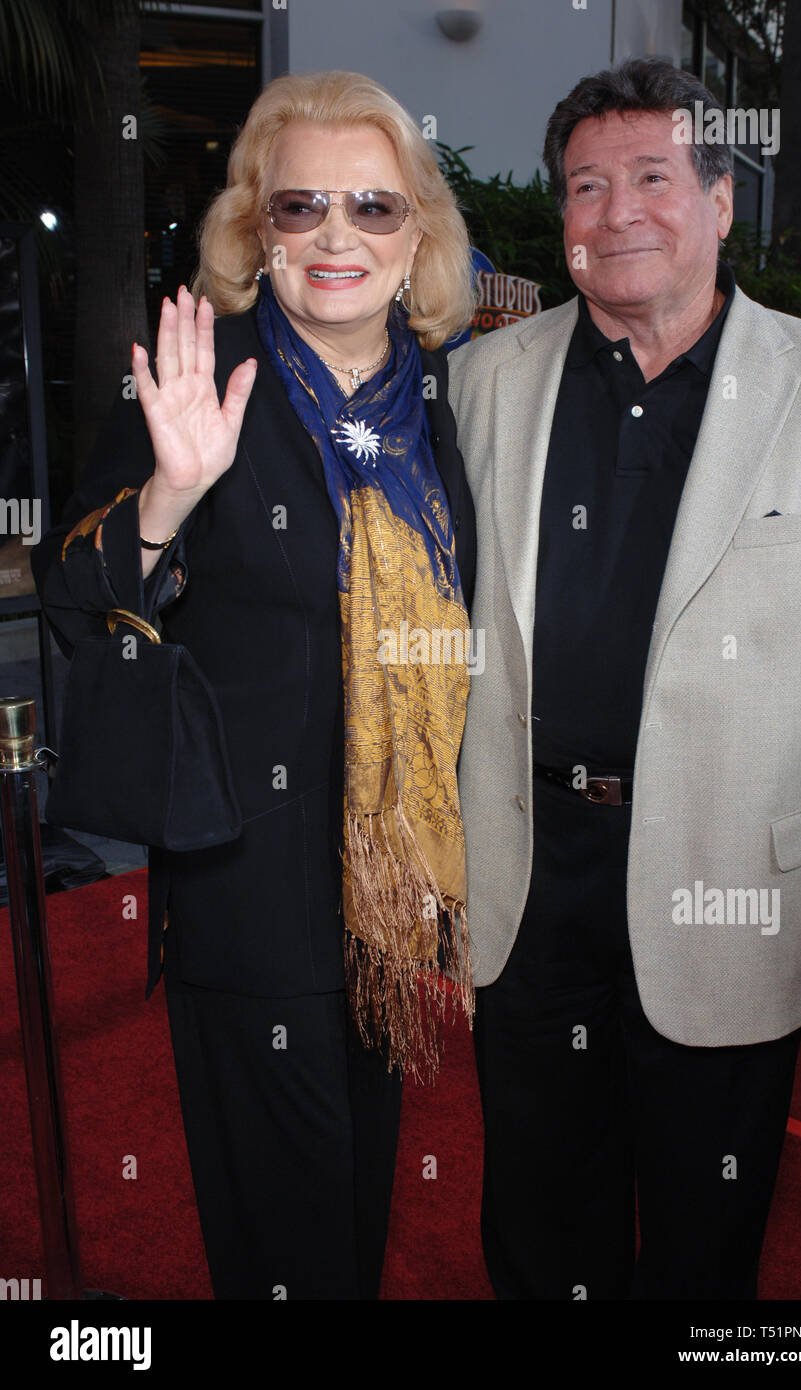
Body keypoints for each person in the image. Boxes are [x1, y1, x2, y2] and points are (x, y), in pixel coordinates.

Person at [31, 70, 477, 1300]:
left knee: (361, 1199)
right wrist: (169, 497)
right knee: (283, 1228)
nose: (337, 235)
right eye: (300, 207)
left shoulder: (445, 403)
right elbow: (75, 601)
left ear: (417, 238)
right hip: (249, 884)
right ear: (255, 230)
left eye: (373, 208)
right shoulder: (198, 376)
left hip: (393, 899)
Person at [448, 57, 801, 1301]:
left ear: (719, 202)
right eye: (585, 184)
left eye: (650, 176)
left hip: (734, 887)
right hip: (524, 879)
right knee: (534, 1224)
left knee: (704, 1244)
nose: (617, 210)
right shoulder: (481, 380)